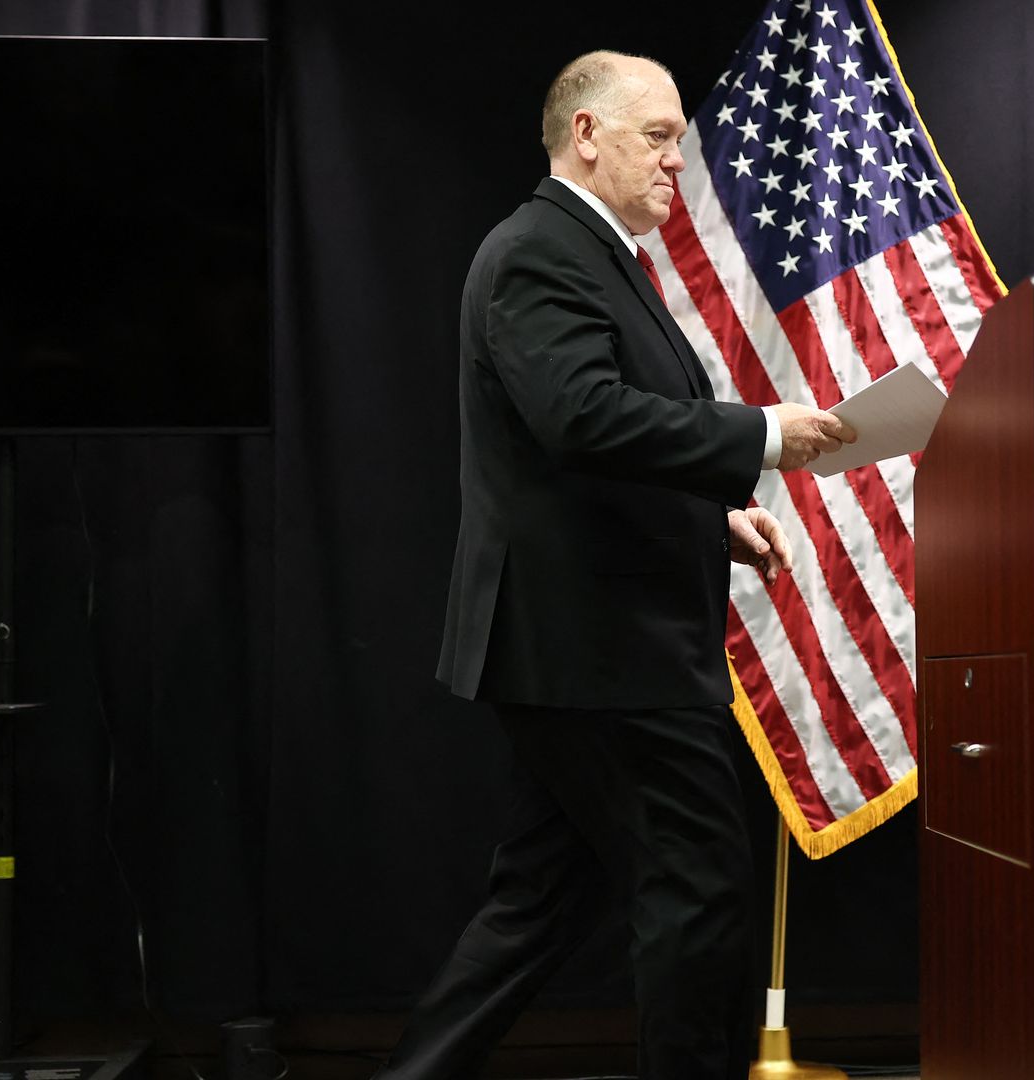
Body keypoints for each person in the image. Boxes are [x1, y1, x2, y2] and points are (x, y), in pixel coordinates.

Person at [380, 50, 854, 1080]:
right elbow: (580, 416)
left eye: (679, 138)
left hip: (587, 643)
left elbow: (587, 443)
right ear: (585, 136)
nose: (677, 158)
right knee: (698, 887)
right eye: (657, 136)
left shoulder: (587, 254)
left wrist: (711, 524)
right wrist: (759, 435)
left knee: (537, 908)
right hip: (600, 650)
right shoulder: (541, 251)